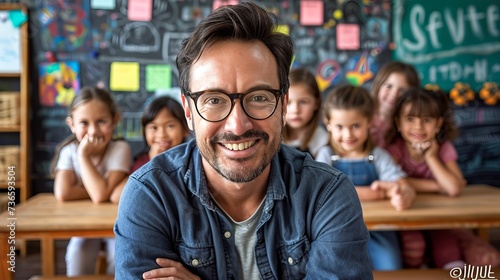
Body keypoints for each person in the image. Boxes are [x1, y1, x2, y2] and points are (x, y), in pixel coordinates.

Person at [114, 2, 372, 279]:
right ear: (189, 112)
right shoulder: (152, 195)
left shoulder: (327, 195)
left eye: (259, 97)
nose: (238, 125)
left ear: (283, 105)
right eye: (213, 100)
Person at [316, 84, 415, 271]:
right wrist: (374, 193)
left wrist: (402, 195)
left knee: (391, 266)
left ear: (369, 122)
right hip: (338, 232)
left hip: (379, 231)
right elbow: (324, 193)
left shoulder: (377, 155)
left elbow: (402, 185)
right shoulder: (326, 155)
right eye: (339, 127)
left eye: (355, 126)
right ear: (328, 124)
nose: (348, 135)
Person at [51, 86, 132, 276]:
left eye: (101, 121)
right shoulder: (68, 151)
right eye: (84, 123)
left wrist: (84, 157)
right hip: (82, 225)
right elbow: (63, 193)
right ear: (71, 125)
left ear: (115, 120)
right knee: (77, 251)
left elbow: (99, 195)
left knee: (119, 255)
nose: (93, 131)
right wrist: (101, 184)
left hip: (115, 225)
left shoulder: (120, 148)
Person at [385, 87, 466, 269]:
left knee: (448, 251)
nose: (418, 127)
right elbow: (396, 182)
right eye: (410, 119)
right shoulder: (395, 150)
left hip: (440, 217)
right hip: (407, 217)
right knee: (413, 247)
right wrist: (439, 186)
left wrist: (431, 158)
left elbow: (454, 188)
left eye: (427, 120)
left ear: (438, 124)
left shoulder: (443, 149)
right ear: (398, 122)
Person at [112, 96, 191, 203]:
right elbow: (116, 196)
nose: (161, 134)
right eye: (154, 127)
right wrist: (153, 164)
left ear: (185, 128)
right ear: (144, 132)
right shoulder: (143, 162)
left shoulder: (192, 161)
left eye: (170, 126)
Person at [370, 61, 420, 148]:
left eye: (402, 90)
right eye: (388, 86)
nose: (394, 95)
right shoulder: (361, 114)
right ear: (378, 85)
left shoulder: (410, 125)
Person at [282, 67, 329, 157]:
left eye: (303, 102)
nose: (295, 110)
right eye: (288, 102)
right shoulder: (273, 140)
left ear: (316, 103)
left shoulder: (324, 141)